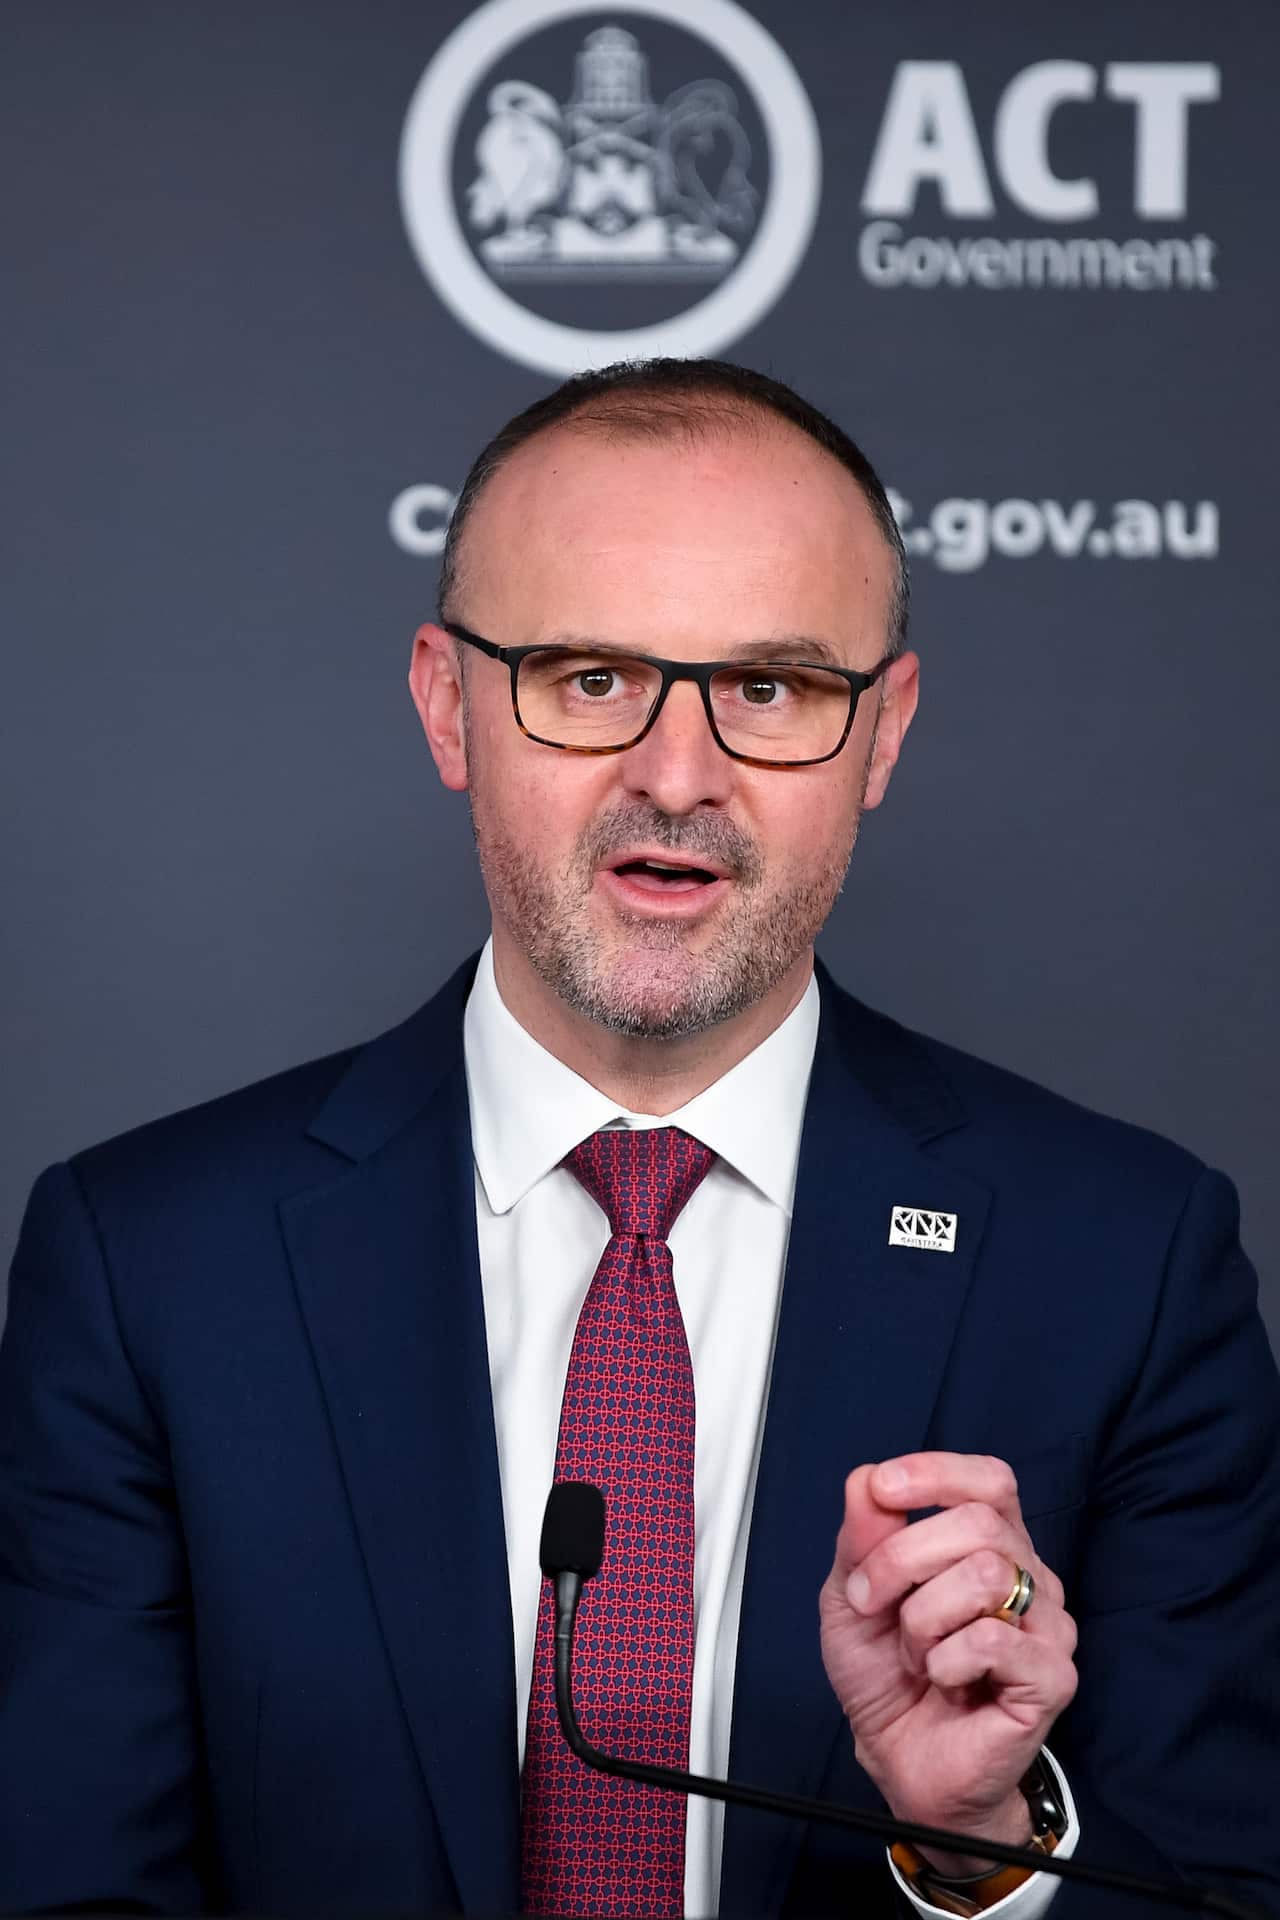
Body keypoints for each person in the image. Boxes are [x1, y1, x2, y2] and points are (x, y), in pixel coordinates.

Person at [1, 359, 1277, 1920]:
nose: (679, 777)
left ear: (883, 735)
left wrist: (984, 1847)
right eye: (589, 677)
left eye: (773, 690)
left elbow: (1220, 1882)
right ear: (443, 702)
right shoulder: (146, 1265)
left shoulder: (1127, 1264)